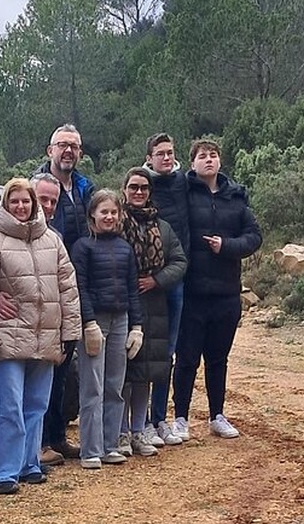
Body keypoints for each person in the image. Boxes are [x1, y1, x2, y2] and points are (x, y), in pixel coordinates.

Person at [0, 178, 81, 495]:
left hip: (46, 336)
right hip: (7, 338)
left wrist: (70, 333)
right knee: (9, 406)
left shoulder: (52, 240)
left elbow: (68, 290)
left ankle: (28, 463)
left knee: (36, 404)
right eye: (15, 201)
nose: (21, 207)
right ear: (5, 204)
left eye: (26, 201)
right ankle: (3, 471)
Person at [173, 139, 262, 441]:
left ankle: (217, 416)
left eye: (213, 155)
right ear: (192, 163)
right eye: (201, 156)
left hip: (226, 293)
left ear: (220, 162)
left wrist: (227, 246)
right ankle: (180, 418)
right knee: (186, 358)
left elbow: (254, 237)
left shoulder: (236, 198)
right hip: (192, 292)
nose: (208, 160)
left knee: (217, 359)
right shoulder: (182, 192)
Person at [30, 124, 95, 462]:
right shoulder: (36, 186)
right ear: (49, 151)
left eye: (74, 146)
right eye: (62, 145)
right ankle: (37, 443)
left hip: (72, 292)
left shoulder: (85, 188)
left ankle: (56, 437)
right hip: (40, 294)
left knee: (60, 372)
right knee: (39, 373)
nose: (68, 151)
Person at [117, 168, 187, 457]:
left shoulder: (163, 227)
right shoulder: (115, 220)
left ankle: (140, 430)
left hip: (154, 304)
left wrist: (156, 279)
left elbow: (179, 261)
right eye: (133, 187)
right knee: (122, 373)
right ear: (124, 190)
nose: (139, 192)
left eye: (144, 188)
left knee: (146, 372)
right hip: (121, 303)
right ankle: (120, 432)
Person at [71, 189, 143, 469]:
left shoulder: (125, 248)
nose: (109, 217)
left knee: (115, 385)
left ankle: (110, 445)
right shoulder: (83, 247)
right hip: (95, 321)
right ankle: (90, 449)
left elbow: (132, 290)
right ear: (93, 215)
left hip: (121, 319)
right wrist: (88, 322)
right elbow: (81, 287)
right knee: (93, 386)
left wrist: (137, 325)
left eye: (114, 212)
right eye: (104, 212)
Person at [140, 133, 190, 447]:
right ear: (149, 158)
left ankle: (159, 418)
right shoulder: (141, 186)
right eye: (160, 153)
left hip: (173, 282)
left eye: (170, 152)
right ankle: (139, 422)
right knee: (140, 353)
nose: (166, 158)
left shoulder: (184, 182)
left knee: (166, 354)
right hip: (142, 287)